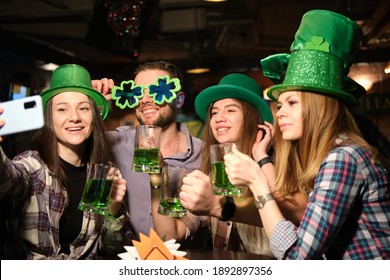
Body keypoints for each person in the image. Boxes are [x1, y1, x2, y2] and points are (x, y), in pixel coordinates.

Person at [224, 10, 390, 259]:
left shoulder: (344, 158)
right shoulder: (326, 155)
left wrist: (257, 183)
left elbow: (297, 258)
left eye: (292, 103)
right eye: (279, 105)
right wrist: (261, 158)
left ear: (318, 107)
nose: (280, 113)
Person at [0, 64, 132, 259]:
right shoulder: (32, 166)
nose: (75, 117)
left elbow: (112, 251)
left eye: (84, 108)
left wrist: (114, 209)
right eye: (62, 109)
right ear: (49, 118)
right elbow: (6, 179)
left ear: (94, 117)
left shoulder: (103, 174)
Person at [179, 73, 307, 255]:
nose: (219, 118)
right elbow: (176, 231)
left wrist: (261, 156)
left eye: (230, 110)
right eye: (214, 112)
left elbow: (288, 209)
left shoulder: (281, 163)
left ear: (252, 118)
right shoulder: (215, 172)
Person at [94, 61, 209, 248]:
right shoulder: (117, 143)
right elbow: (70, 143)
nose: (145, 100)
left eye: (158, 90)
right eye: (138, 92)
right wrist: (93, 102)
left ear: (179, 100)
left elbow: (173, 237)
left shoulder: (203, 157)